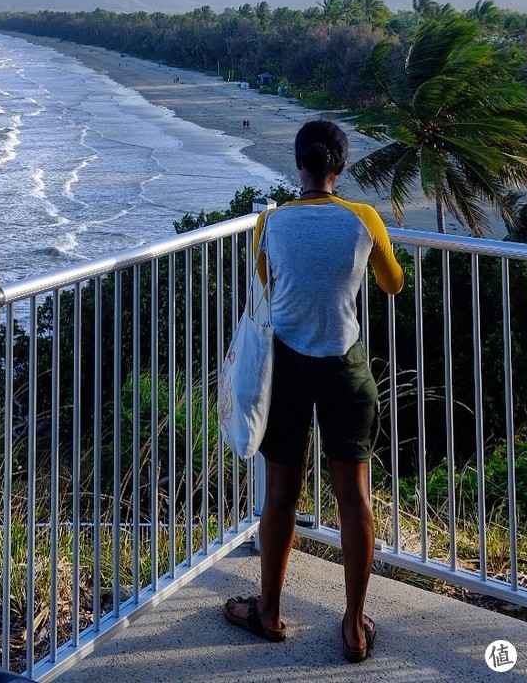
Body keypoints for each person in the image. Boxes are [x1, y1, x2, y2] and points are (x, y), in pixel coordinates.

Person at [223, 118, 404, 662]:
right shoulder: (363, 219)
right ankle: (352, 626)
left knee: (281, 492)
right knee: (355, 497)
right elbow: (392, 282)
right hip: (345, 369)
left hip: (289, 369)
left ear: (298, 165)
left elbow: (265, 282)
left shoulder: (271, 223)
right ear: (340, 168)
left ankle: (270, 611)